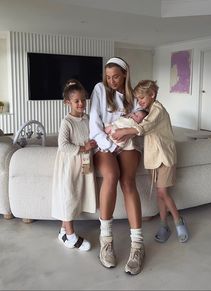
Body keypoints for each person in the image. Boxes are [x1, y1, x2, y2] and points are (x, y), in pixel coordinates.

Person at [112, 80, 189, 244]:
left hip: (165, 157)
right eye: (137, 99)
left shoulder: (157, 110)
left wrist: (125, 130)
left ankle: (178, 221)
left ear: (152, 95)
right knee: (159, 195)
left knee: (162, 193)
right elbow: (137, 125)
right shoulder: (145, 110)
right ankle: (163, 225)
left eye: (141, 98)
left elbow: (145, 127)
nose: (139, 102)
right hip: (153, 158)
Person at [89, 57, 145, 275]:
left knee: (128, 181)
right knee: (111, 175)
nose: (112, 80)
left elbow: (142, 120)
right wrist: (108, 146)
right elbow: (94, 123)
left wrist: (127, 133)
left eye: (116, 77)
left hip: (128, 141)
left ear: (124, 75)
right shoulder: (100, 90)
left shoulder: (133, 95)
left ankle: (138, 245)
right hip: (104, 142)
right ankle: (106, 240)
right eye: (108, 77)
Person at [51, 79, 97, 251]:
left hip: (84, 165)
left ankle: (63, 231)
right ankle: (70, 235)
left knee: (77, 195)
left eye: (83, 99)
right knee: (69, 197)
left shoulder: (87, 118)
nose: (81, 103)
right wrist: (83, 147)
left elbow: (92, 135)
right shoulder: (67, 122)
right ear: (67, 102)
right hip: (69, 166)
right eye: (76, 101)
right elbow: (63, 145)